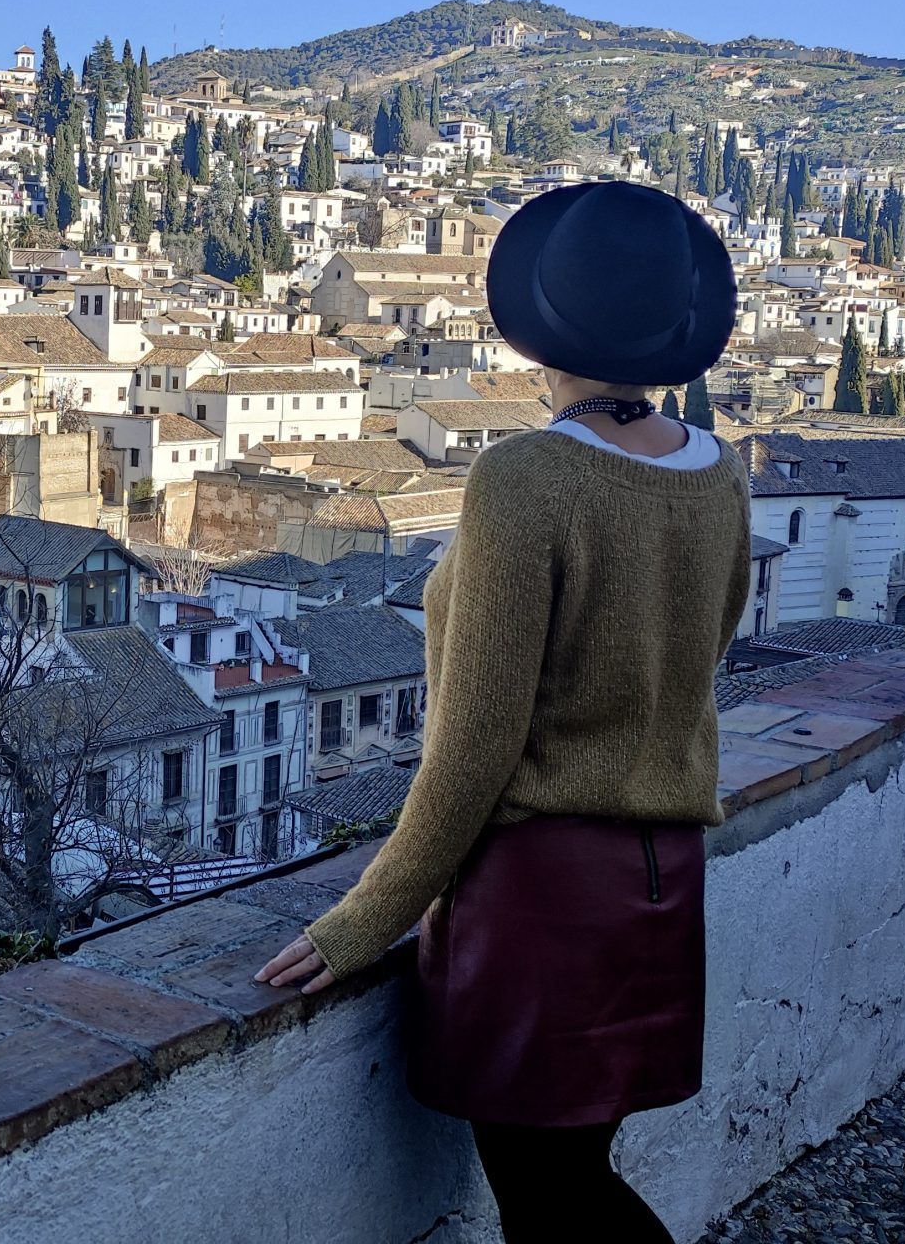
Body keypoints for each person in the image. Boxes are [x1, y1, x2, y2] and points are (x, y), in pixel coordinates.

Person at [256, 182, 750, 1243]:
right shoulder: (721, 476)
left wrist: (361, 919)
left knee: (549, 1204)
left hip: (543, 902)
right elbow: (698, 661)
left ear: (539, 331)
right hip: (663, 880)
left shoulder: (524, 477)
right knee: (579, 1182)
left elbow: (472, 747)